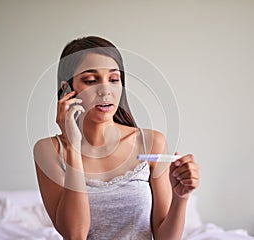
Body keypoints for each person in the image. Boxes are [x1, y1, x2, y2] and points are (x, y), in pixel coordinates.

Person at [34, 36, 200, 240]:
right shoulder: (48, 150)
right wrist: (73, 146)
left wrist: (180, 198)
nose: (105, 90)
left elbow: (165, 237)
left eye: (113, 79)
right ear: (67, 89)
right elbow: (75, 234)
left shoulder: (150, 142)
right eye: (91, 81)